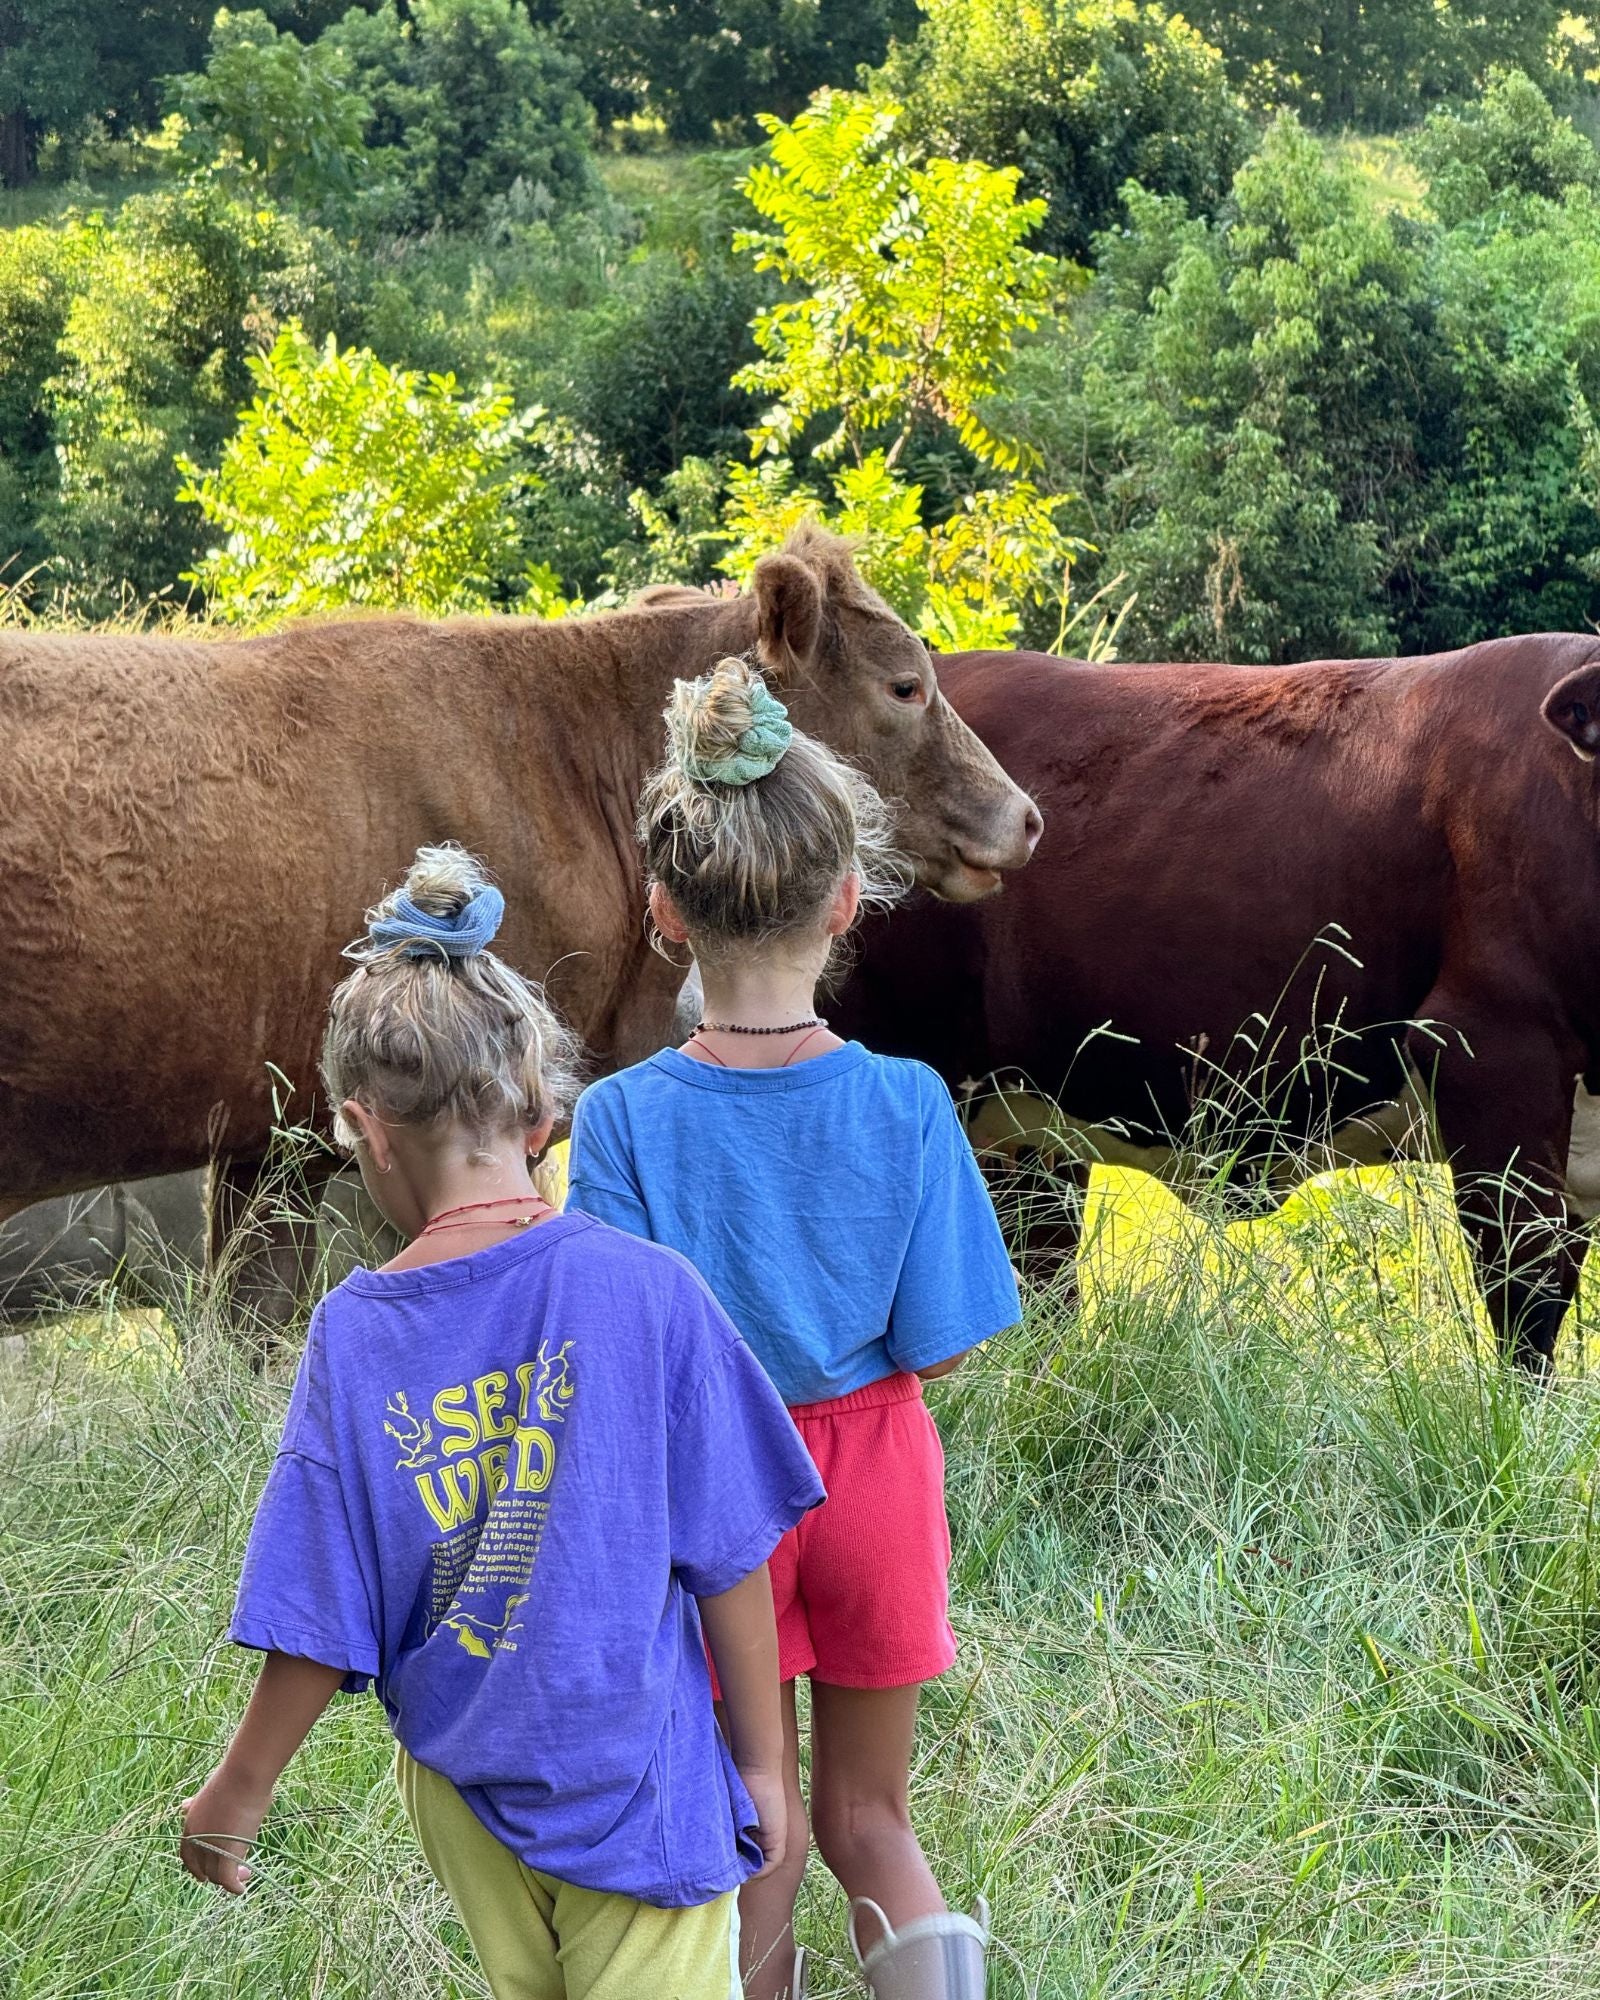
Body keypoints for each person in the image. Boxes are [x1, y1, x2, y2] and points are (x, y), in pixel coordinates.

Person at [181, 845, 824, 2000]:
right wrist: (765, 1767)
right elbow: (731, 1551)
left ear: (366, 1128)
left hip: (460, 1785)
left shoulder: (355, 1333)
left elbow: (320, 1610)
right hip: (632, 1770)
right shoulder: (649, 1288)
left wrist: (241, 1785)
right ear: (539, 1111)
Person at [567, 661, 1022, 2000]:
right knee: (872, 1819)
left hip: (717, 1498)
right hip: (878, 1479)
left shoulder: (621, 1119)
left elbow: (623, 1357)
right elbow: (941, 1345)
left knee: (749, 1819)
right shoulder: (909, 1102)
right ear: (845, 899)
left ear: (663, 911)